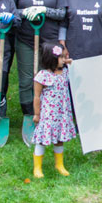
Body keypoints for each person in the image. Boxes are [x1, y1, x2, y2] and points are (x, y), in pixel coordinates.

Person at [12, 0, 67, 119]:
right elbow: (12, 11)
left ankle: (50, 111)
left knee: (51, 75)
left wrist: (43, 10)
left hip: (50, 40)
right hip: (26, 38)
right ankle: (30, 113)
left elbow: (62, 13)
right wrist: (25, 12)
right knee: (28, 77)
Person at [31, 42, 76, 179]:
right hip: (48, 115)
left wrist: (65, 60)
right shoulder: (43, 76)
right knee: (42, 140)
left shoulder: (64, 72)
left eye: (64, 57)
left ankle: (59, 164)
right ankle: (37, 167)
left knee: (59, 138)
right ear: (51, 59)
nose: (64, 60)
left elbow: (71, 62)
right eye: (61, 57)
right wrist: (37, 114)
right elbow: (37, 97)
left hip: (61, 114)